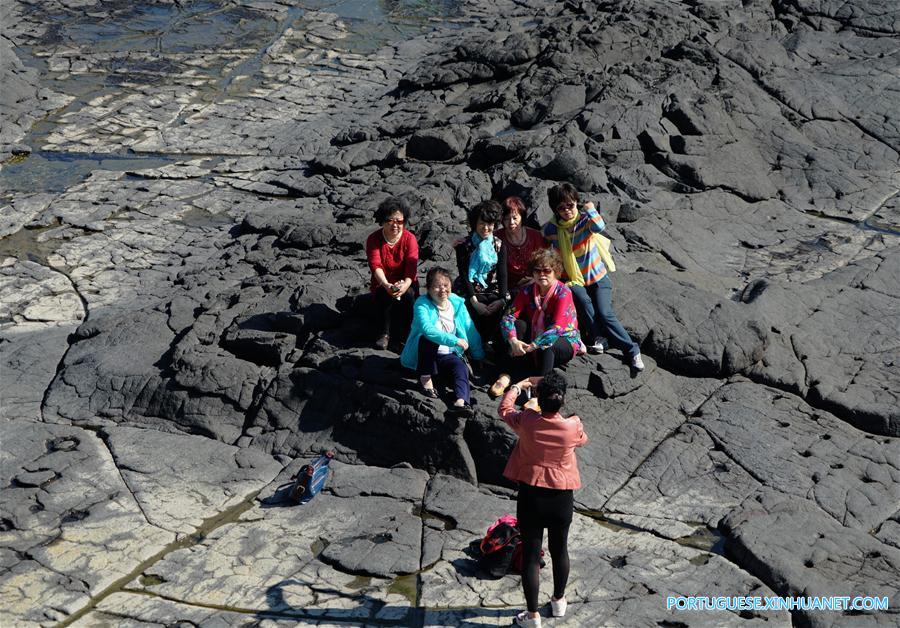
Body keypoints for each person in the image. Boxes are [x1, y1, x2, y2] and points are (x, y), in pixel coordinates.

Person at [498, 372, 588, 627]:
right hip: (561, 498)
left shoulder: (527, 420)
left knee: (530, 555)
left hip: (532, 496)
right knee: (560, 550)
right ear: (563, 400)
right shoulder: (573, 425)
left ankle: (532, 615)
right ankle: (558, 602)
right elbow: (583, 440)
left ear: (538, 398)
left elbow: (504, 409)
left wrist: (517, 386)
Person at [542, 183, 644, 371]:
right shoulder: (552, 229)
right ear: (555, 210)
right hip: (573, 278)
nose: (567, 211)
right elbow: (544, 245)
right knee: (581, 298)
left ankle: (632, 350)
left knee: (605, 313)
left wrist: (590, 209)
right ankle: (599, 338)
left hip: (597, 277)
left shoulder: (584, 221)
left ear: (576, 203)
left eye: (570, 205)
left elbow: (599, 226)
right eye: (561, 208)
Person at [491, 248, 584, 398]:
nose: (541, 274)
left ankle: (540, 391)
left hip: (563, 339)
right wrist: (513, 340)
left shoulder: (563, 293)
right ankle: (506, 374)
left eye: (547, 270)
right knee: (519, 325)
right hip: (534, 337)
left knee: (549, 344)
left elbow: (557, 328)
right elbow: (508, 317)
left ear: (555, 272)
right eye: (537, 270)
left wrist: (534, 345)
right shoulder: (527, 291)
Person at [401, 267, 484, 415]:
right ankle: (425, 380)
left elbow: (469, 328)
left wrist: (478, 355)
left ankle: (461, 402)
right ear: (428, 289)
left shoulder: (456, 303)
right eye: (437, 286)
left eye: (446, 285)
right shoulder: (421, 304)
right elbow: (427, 329)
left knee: (460, 367)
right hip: (425, 356)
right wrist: (454, 340)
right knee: (429, 339)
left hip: (448, 355)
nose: (443, 290)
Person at [365, 197, 419, 350]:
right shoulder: (374, 239)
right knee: (384, 293)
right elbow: (375, 265)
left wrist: (405, 283)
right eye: (390, 220)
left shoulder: (410, 239)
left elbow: (411, 266)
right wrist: (386, 284)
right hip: (383, 282)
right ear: (383, 220)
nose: (395, 225)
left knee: (408, 294)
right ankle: (384, 334)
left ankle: (408, 333)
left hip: (406, 282)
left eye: (399, 221)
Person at [454, 200, 509, 339]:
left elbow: (502, 274)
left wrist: (502, 299)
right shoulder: (464, 245)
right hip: (470, 288)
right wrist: (474, 302)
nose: (485, 228)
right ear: (474, 224)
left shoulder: (499, 245)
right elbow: (464, 274)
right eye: (481, 223)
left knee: (499, 306)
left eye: (489, 224)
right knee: (473, 307)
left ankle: (489, 342)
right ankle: (474, 342)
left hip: (492, 287)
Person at [495, 196, 546, 294]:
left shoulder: (535, 236)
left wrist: (535, 280)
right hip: (509, 288)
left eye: (515, 218)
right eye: (507, 219)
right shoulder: (496, 237)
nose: (511, 222)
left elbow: (545, 261)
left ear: (522, 217)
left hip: (535, 282)